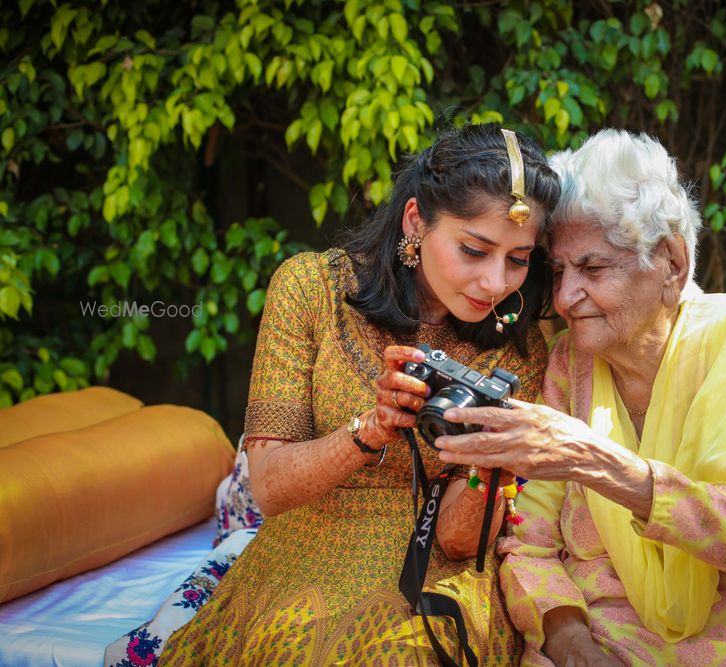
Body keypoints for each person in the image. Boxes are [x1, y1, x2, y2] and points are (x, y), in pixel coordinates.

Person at [433, 129, 726, 666]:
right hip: (601, 625)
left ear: (671, 262)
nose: (565, 297)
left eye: (593, 268)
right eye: (557, 271)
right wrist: (568, 637)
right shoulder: (567, 365)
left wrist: (598, 463)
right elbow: (529, 543)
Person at [156, 123, 561, 665]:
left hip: (429, 572)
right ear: (416, 221)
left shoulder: (521, 351)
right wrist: (369, 430)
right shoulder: (310, 289)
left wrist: (492, 463)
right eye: (474, 250)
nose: (495, 283)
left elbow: (460, 543)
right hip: (300, 550)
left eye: (518, 259)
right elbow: (268, 488)